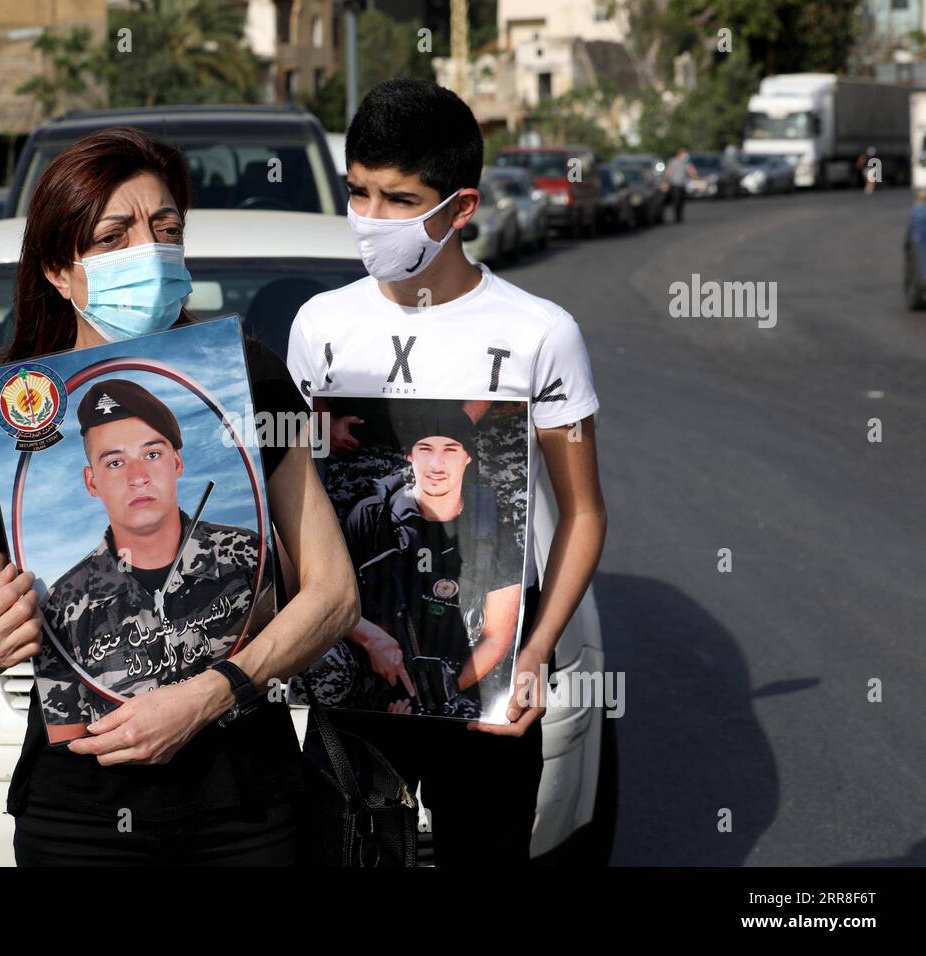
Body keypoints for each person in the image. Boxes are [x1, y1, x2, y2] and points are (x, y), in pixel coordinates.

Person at [0, 128, 359, 866]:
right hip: (77, 816)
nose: (150, 250)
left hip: (247, 807)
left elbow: (333, 595)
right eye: (114, 236)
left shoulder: (250, 378)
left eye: (165, 229)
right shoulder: (9, 406)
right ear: (58, 269)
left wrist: (211, 694)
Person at [286, 78, 606, 867]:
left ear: (461, 208)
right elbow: (292, 503)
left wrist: (532, 656)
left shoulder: (541, 334)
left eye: (399, 199)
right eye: (358, 192)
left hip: (488, 676)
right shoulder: (318, 327)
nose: (372, 218)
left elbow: (585, 512)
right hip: (350, 666)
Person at [36, 378, 268, 740]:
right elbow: (69, 740)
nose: (138, 477)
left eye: (152, 454)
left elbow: (293, 660)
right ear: (91, 482)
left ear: (177, 463)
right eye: (115, 462)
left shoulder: (246, 556)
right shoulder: (64, 604)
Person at [296, 404, 525, 721]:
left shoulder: (494, 528)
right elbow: (321, 590)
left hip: (454, 673)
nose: (437, 464)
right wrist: (369, 637)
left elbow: (497, 637)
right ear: (410, 457)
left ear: (467, 457)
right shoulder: (372, 515)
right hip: (368, 657)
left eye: (450, 450)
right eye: (426, 449)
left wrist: (434, 694)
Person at [664, 148, 697, 222]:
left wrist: (696, 178)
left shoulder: (686, 162)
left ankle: (680, 216)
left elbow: (691, 171)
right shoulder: (673, 161)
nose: (685, 156)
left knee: (682, 201)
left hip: (682, 185)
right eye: (684, 154)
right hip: (675, 185)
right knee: (676, 201)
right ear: (679, 154)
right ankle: (676, 216)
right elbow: (668, 172)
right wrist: (666, 181)